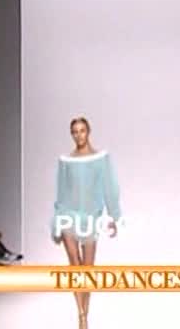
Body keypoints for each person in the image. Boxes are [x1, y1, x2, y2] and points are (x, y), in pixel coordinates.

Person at [51, 117, 121, 329]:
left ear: (88, 131)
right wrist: (56, 222)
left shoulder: (101, 158)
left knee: (87, 269)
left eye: (82, 130)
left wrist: (114, 216)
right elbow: (61, 192)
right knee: (74, 263)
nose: (78, 135)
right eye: (74, 131)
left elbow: (110, 187)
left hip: (91, 217)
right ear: (71, 134)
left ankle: (85, 313)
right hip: (67, 215)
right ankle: (81, 315)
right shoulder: (66, 160)